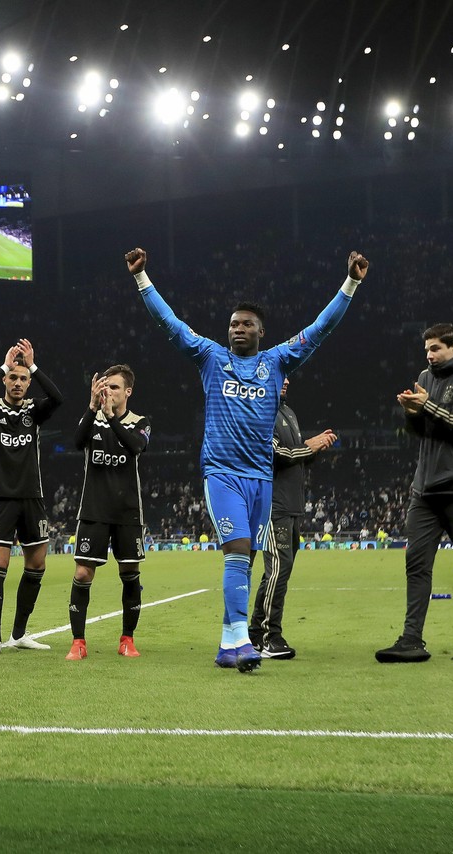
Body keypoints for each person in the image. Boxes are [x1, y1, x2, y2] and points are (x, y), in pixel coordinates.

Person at [127, 246, 366, 672]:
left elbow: (320, 329)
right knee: (237, 551)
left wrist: (351, 283)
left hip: (262, 478)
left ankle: (227, 644)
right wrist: (142, 278)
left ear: (260, 332)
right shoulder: (210, 357)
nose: (238, 329)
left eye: (247, 324)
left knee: (246, 560)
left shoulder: (276, 362)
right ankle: (242, 643)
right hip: (223, 474)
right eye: (234, 324)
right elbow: (170, 324)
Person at [375, 324, 453, 663]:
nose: (429, 355)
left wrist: (428, 407)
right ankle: (411, 639)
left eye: (436, 348)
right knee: (416, 564)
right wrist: (412, 413)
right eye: (427, 349)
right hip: (424, 489)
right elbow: (423, 430)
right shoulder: (425, 377)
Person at [0, 339, 63, 655]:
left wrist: (34, 366)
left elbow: (58, 398)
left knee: (37, 564)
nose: (20, 383)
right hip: (2, 496)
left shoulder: (34, 410)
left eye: (24, 378)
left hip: (32, 497)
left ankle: (19, 634)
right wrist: (3, 364)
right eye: (14, 377)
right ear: (5, 380)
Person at [66, 365, 150, 661]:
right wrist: (92, 408)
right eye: (104, 387)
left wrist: (113, 417)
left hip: (128, 512)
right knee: (82, 572)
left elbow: (136, 446)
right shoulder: (92, 421)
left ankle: (127, 639)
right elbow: (76, 442)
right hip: (94, 510)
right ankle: (78, 642)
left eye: (114, 387)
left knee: (129, 573)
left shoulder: (140, 422)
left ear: (128, 391)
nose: (108, 392)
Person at [248, 379, 336, 660]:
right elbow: (273, 454)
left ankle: (257, 632)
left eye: (287, 375)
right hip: (274, 505)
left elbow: (294, 457)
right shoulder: (259, 411)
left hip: (292, 504)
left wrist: (315, 449)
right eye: (279, 374)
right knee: (278, 568)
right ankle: (267, 635)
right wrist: (308, 446)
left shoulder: (289, 412)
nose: (285, 379)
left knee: (277, 570)